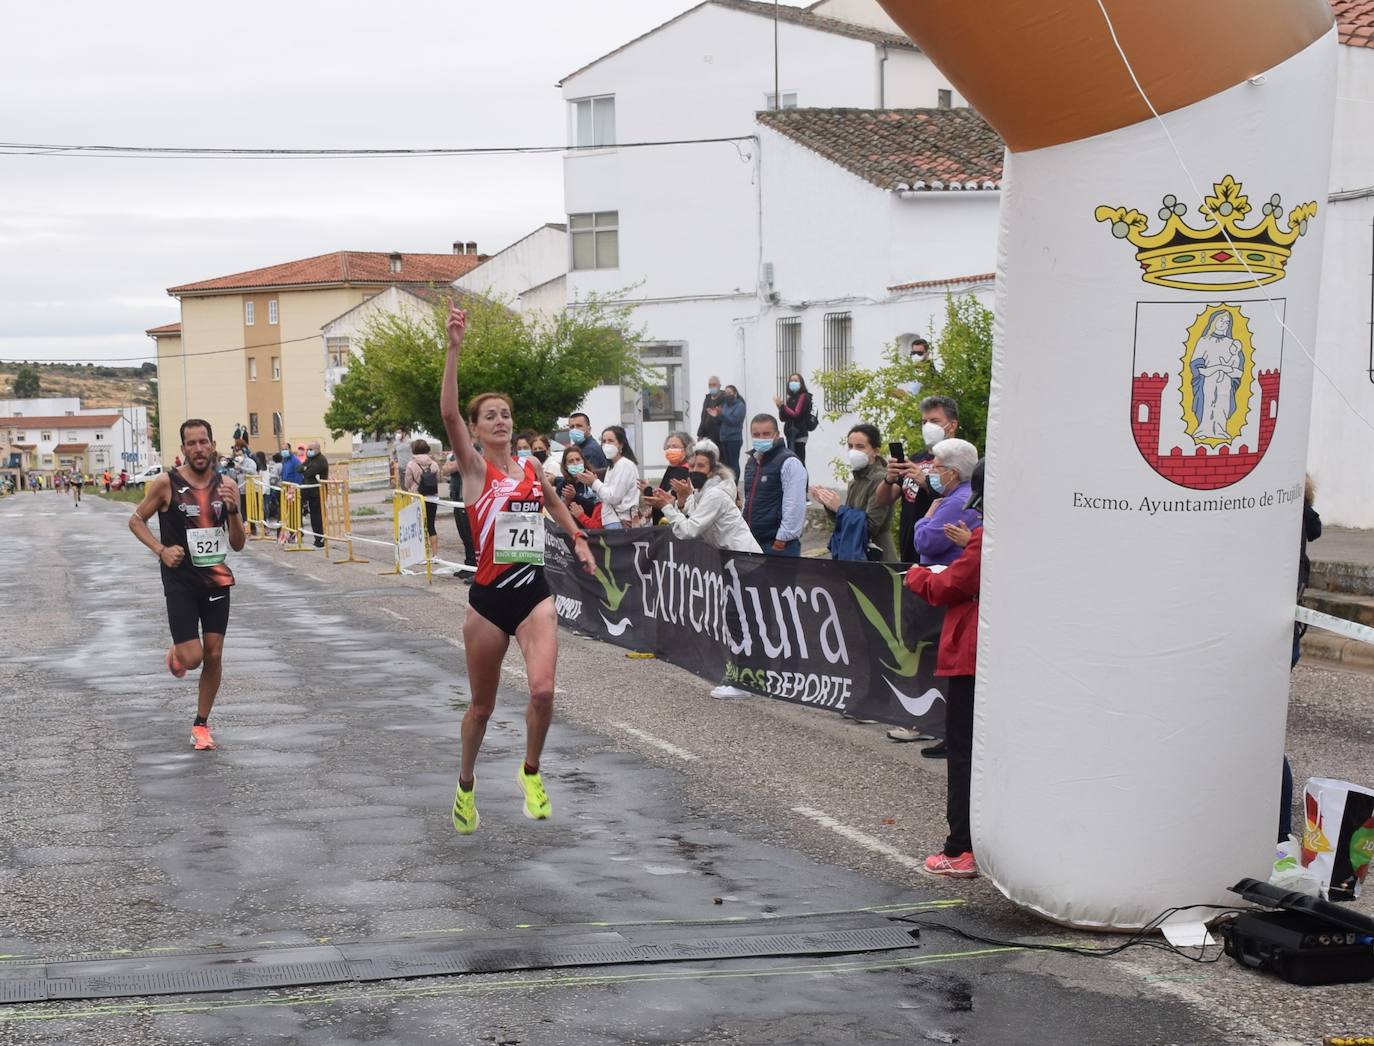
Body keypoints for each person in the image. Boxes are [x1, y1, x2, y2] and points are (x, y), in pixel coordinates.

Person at [439, 304, 596, 835]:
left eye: (506, 414)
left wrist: (577, 538)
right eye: (491, 416)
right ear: (479, 430)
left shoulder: (530, 467)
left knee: (544, 691)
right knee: (481, 709)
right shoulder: (475, 468)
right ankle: (465, 783)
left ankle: (531, 771)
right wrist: (454, 348)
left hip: (533, 593)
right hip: (487, 601)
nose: (501, 421)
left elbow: (554, 504)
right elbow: (449, 416)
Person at [128, 419, 246, 751]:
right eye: (191, 443)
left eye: (203, 442)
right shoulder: (167, 483)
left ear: (211, 445)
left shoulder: (226, 485)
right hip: (180, 582)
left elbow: (238, 544)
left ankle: (201, 725)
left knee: (215, 652)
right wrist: (161, 550)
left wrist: (234, 510)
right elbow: (136, 520)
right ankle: (180, 652)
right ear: (183, 449)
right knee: (193, 658)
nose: (198, 448)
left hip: (215, 579)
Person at [904, 459, 984, 877]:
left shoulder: (986, 538)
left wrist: (918, 577)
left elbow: (952, 583)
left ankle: (961, 848)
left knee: (963, 753)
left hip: (972, 653)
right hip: (1006, 655)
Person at [875, 396, 960, 566]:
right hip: (909, 550)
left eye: (934, 421)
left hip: (938, 554)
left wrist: (925, 482)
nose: (928, 427)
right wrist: (889, 479)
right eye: (924, 422)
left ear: (952, 425)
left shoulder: (961, 459)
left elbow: (961, 501)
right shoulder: (916, 459)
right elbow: (883, 499)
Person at [645, 438, 760, 553]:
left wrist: (666, 507)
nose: (694, 470)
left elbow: (689, 531)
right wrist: (676, 504)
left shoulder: (715, 494)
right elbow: (695, 514)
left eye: (700, 466)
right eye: (692, 466)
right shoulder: (701, 492)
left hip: (746, 558)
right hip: (733, 558)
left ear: (712, 470)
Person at [811, 423, 896, 562]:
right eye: (850, 446)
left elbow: (870, 526)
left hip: (877, 556)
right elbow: (845, 523)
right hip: (855, 553)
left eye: (860, 447)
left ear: (876, 451)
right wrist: (829, 504)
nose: (853, 451)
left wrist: (839, 508)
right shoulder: (855, 481)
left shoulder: (880, 478)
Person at [741, 414, 806, 556]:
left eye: (766, 434)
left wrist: (782, 539)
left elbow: (794, 504)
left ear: (777, 435)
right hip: (753, 541)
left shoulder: (789, 462)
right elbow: (748, 499)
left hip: (778, 545)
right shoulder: (752, 462)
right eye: (756, 434)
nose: (761, 438)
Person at [911, 438, 981, 566]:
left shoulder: (958, 502)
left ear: (953, 473)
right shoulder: (968, 494)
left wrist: (927, 517)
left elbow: (924, 542)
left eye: (936, 467)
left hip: (946, 577)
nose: (930, 472)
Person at [589, 426, 640, 529]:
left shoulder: (624, 464)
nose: (606, 444)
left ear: (621, 444)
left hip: (620, 521)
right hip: (612, 520)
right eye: (604, 441)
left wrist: (594, 482)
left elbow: (613, 497)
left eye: (611, 441)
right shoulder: (612, 466)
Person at [442, 449, 478, 581]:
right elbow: (445, 470)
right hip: (456, 496)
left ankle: (475, 566)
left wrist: (453, 465)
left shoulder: (474, 449)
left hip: (467, 497)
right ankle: (468, 564)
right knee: (463, 533)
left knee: (470, 534)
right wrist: (452, 465)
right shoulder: (454, 454)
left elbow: (460, 465)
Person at [404, 438, 443, 558]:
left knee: (419, 527)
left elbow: (407, 483)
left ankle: (421, 555)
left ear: (414, 449)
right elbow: (439, 479)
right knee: (431, 525)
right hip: (432, 498)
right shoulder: (434, 464)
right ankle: (435, 555)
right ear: (427, 449)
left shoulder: (411, 464)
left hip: (417, 498)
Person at [556, 447, 603, 529]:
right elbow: (558, 513)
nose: (575, 463)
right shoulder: (563, 486)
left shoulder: (593, 479)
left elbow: (598, 507)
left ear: (583, 462)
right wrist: (567, 501)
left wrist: (575, 497)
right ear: (566, 466)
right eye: (571, 461)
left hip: (593, 530)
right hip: (572, 530)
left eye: (578, 459)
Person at [652, 431, 693, 525]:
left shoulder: (683, 470)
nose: (670, 450)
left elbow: (672, 496)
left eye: (675, 447)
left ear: (686, 449)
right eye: (668, 447)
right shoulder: (672, 469)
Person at [774, 373, 815, 464]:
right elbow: (783, 418)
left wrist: (783, 406)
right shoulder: (791, 398)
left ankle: (803, 478)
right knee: (792, 460)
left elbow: (796, 414)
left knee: (799, 460)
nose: (793, 382)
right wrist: (780, 408)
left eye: (796, 380)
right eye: (791, 381)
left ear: (801, 383)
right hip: (790, 434)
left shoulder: (803, 396)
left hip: (799, 434)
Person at [301, 440, 328, 548]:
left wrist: (306, 469)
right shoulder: (311, 459)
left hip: (318, 492)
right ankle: (317, 538)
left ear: (317, 449)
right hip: (310, 491)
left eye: (310, 449)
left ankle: (320, 539)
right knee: (313, 517)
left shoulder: (321, 460)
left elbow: (308, 472)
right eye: (307, 449)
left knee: (318, 516)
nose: (308, 451)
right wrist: (305, 468)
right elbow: (299, 468)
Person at [718, 385, 746, 479]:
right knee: (726, 464)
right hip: (724, 438)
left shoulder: (740, 406)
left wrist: (721, 414)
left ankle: (735, 483)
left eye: (729, 393)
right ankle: (727, 481)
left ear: (735, 393)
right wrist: (716, 415)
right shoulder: (725, 405)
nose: (727, 395)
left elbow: (734, 421)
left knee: (734, 463)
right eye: (725, 393)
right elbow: (722, 420)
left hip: (734, 439)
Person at [697, 376, 724, 447]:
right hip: (707, 437)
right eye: (710, 385)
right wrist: (700, 434)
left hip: (720, 438)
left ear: (719, 386)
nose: (712, 387)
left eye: (714, 385)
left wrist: (717, 416)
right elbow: (703, 418)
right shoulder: (707, 399)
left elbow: (726, 419)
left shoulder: (724, 399)